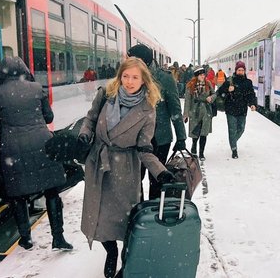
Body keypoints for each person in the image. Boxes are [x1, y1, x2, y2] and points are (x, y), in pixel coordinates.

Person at [77, 57, 176, 278]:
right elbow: (90, 119)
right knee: (99, 219)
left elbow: (144, 148)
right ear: (119, 76)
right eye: (125, 76)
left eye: (135, 77)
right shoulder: (106, 95)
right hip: (98, 166)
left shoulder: (147, 110)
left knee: (126, 223)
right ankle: (110, 252)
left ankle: (125, 260)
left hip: (124, 172)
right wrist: (85, 134)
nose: (129, 82)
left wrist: (160, 171)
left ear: (144, 80)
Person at [0, 56, 72, 251]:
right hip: (42, 144)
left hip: (13, 148)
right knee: (52, 191)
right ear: (24, 70)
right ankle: (58, 237)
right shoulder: (37, 88)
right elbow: (49, 117)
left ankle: (26, 238)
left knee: (17, 195)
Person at [126, 44, 187, 200]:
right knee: (133, 182)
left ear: (142, 61)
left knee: (157, 180)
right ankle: (137, 214)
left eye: (131, 59)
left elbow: (175, 110)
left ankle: (152, 216)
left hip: (159, 139)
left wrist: (181, 137)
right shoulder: (128, 78)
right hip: (134, 140)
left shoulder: (165, 79)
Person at [211, 61, 257, 159]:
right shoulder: (229, 81)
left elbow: (251, 94)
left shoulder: (248, 82)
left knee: (241, 129)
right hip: (231, 109)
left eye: (242, 70)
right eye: (239, 70)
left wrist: (252, 104)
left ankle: (233, 141)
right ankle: (234, 149)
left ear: (244, 71)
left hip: (242, 110)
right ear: (236, 71)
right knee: (232, 130)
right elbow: (220, 91)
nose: (241, 72)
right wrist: (228, 90)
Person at [183, 67, 215, 161]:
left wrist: (211, 98)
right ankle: (193, 147)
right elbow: (187, 101)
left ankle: (201, 153)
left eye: (203, 74)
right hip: (195, 111)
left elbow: (214, 94)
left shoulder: (208, 83)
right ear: (197, 76)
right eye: (201, 75)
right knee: (195, 132)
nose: (203, 76)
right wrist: (186, 114)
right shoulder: (190, 85)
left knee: (204, 133)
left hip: (206, 111)